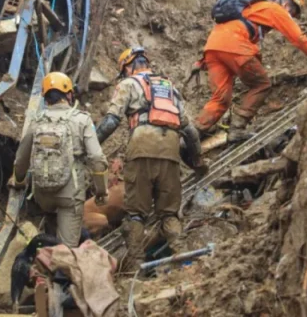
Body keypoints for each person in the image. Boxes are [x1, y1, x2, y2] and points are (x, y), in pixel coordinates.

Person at [95, 47, 204, 266]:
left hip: (141, 146)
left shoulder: (128, 84)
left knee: (136, 214)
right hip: (170, 149)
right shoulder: (168, 86)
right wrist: (197, 161)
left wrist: (90, 144)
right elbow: (190, 131)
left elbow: (111, 122)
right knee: (169, 214)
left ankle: (136, 270)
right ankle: (185, 265)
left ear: (128, 66)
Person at [194, 0, 307, 141]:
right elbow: (298, 38)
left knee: (220, 99)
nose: (290, 15)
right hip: (235, 45)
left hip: (212, 48)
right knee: (261, 84)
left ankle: (191, 136)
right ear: (287, 4)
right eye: (292, 12)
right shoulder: (275, 9)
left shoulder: (252, 10)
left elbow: (226, 33)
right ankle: (237, 128)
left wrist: (202, 62)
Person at [12, 72, 108, 248]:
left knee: (50, 227)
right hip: (69, 195)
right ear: (69, 95)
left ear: (45, 98)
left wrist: (19, 181)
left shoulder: (37, 121)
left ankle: (48, 250)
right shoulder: (81, 120)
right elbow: (96, 158)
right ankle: (61, 271)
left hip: (42, 194)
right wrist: (101, 191)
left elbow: (20, 160)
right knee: (67, 251)